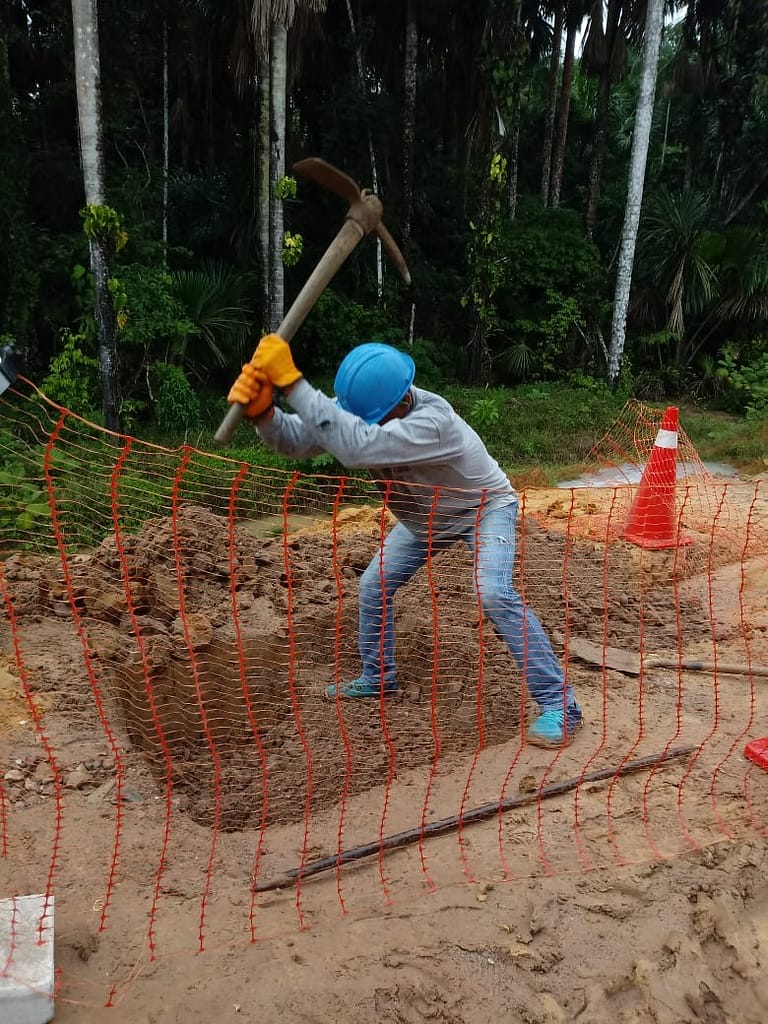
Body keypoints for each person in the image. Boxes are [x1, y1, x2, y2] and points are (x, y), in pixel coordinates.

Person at [227, 334, 583, 748]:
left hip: (482, 508)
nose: (360, 420)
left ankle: (561, 705)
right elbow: (297, 440)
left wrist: (293, 383)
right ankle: (378, 678)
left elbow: (358, 446)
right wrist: (264, 415)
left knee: (492, 592)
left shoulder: (435, 422)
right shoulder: (362, 408)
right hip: (423, 519)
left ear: (399, 403)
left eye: (370, 418)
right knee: (373, 586)